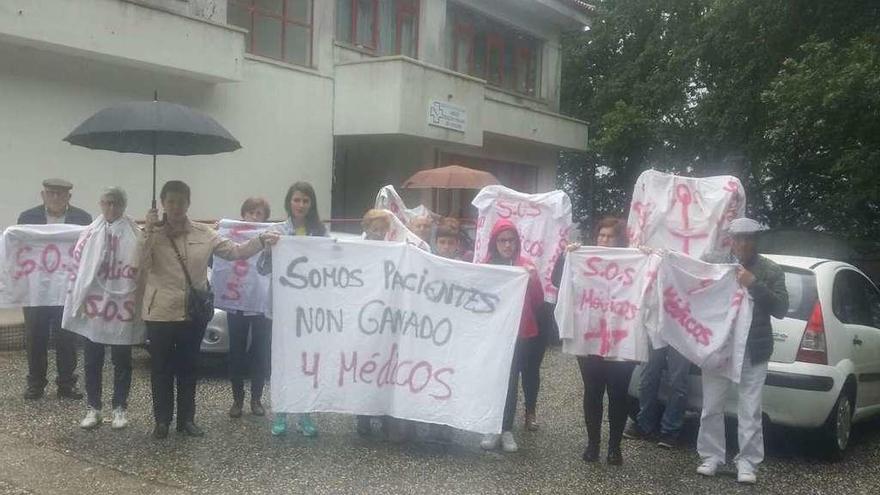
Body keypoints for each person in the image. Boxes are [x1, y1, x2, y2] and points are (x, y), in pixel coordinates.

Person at [141, 181, 278, 440]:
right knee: (160, 368)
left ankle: (186, 419)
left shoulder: (204, 233)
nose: (176, 206)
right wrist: (148, 231)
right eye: (170, 201)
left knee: (188, 367)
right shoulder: (152, 233)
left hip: (192, 313)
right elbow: (139, 263)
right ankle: (161, 420)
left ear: (188, 204)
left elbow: (236, 252)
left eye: (181, 201)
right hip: (159, 311)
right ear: (162, 203)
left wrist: (260, 240)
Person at [696, 218, 788, 484]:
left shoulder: (770, 269)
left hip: (753, 349)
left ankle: (747, 461)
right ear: (731, 240)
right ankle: (711, 455)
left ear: (755, 240)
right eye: (739, 238)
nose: (744, 243)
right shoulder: (717, 266)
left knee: (750, 409)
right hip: (719, 347)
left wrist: (753, 284)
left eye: (749, 238)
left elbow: (782, 308)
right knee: (711, 405)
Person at [553, 216, 635, 465]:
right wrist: (566, 258)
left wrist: (649, 258)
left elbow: (650, 284)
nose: (604, 240)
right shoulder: (584, 258)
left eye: (610, 236)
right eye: (601, 235)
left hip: (621, 338)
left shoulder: (633, 260)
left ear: (620, 239)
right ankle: (593, 443)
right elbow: (558, 280)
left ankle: (614, 447)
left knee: (619, 394)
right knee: (593, 392)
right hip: (590, 338)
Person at [256, 182, 326, 438]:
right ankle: (281, 413)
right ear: (289, 202)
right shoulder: (277, 231)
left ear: (312, 204)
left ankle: (305, 414)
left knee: (307, 362)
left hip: (309, 312)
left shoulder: (320, 232)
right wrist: (267, 248)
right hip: (283, 310)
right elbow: (261, 270)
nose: (301, 205)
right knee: (282, 362)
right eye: (297, 200)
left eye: (306, 201)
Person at [18, 178, 92, 400]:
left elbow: (88, 251)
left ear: (69, 197)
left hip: (66, 290)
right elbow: (19, 249)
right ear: (43, 195)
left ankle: (67, 384)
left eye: (61, 194)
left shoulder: (83, 219)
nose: (56, 198)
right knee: (34, 337)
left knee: (67, 338)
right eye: (51, 193)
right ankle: (36, 384)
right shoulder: (26, 217)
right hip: (35, 290)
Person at [74, 187, 141, 430]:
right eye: (107, 203)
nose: (111, 208)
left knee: (122, 359)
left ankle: (120, 407)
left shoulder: (134, 232)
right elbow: (79, 261)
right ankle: (94, 407)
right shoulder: (90, 231)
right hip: (95, 305)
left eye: (116, 204)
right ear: (100, 204)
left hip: (120, 306)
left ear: (123, 206)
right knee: (92, 359)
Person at [479, 219, 544, 453]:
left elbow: (537, 302)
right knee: (492, 379)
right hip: (492, 334)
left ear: (517, 242)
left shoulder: (525, 265)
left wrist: (534, 280)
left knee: (510, 381)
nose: (507, 245)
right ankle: (491, 426)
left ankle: (505, 428)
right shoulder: (485, 266)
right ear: (494, 243)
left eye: (511, 240)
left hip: (519, 334)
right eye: (502, 240)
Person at [227, 197, 273, 419]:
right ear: (243, 214)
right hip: (236, 303)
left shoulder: (271, 236)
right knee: (236, 352)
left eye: (260, 213)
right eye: (252, 212)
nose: (256, 217)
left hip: (262, 304)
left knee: (260, 351)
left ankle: (256, 398)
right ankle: (237, 399)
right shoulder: (231, 234)